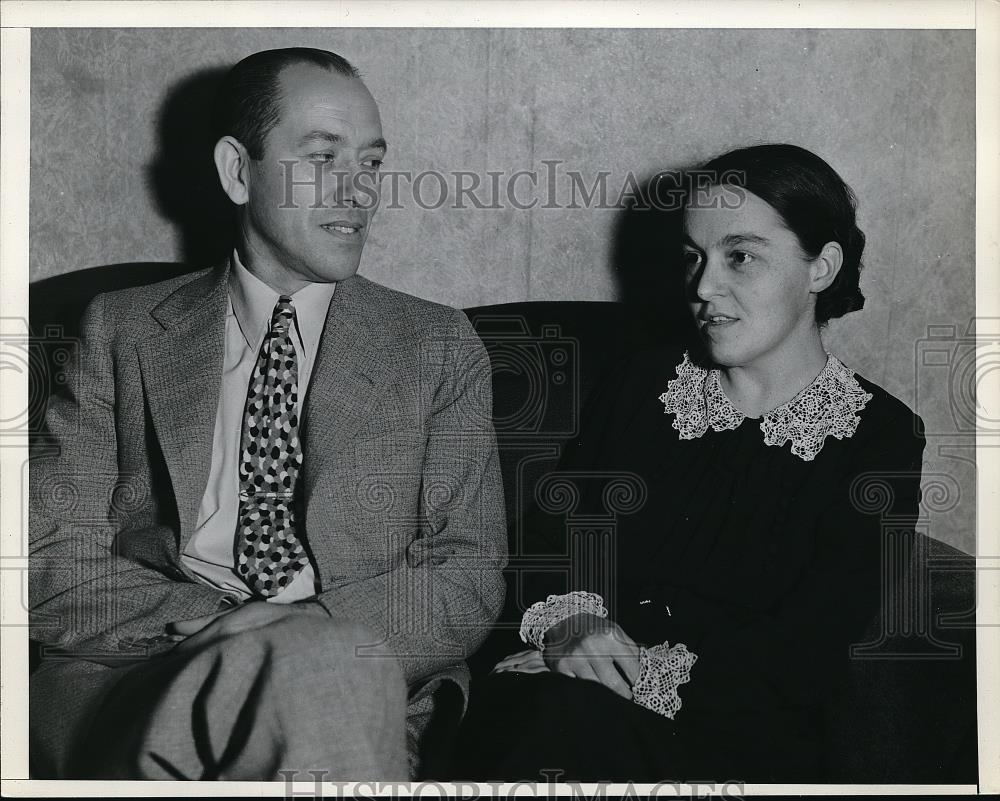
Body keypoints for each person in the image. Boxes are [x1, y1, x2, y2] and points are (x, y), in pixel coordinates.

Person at [28, 47, 507, 781]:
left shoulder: (435, 344)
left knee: (323, 666)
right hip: (148, 677)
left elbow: (467, 571)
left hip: (357, 678)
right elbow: (49, 555)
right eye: (324, 156)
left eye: (372, 163)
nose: (359, 192)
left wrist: (307, 628)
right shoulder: (120, 329)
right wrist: (226, 629)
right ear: (236, 170)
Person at [452, 144, 926, 783]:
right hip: (558, 693)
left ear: (822, 266)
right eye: (694, 257)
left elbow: (811, 645)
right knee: (536, 714)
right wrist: (574, 623)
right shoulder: (643, 381)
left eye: (741, 256)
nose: (703, 286)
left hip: (727, 732)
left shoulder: (880, 437)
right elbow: (552, 538)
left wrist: (634, 674)